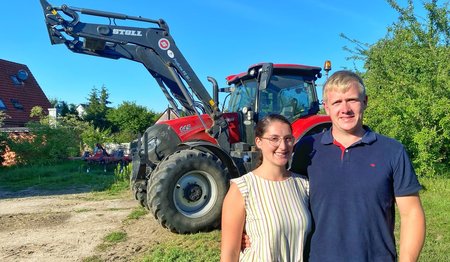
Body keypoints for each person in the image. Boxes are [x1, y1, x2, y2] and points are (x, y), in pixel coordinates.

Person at [289, 70, 426, 261]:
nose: (345, 109)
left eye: (352, 100)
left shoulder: (392, 151)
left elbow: (411, 213)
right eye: (337, 102)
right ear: (326, 108)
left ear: (365, 102)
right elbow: (284, 198)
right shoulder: (307, 149)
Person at [221, 114, 311, 261]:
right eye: (274, 139)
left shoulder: (303, 184)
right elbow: (229, 255)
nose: (283, 146)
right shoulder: (243, 188)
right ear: (259, 142)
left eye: (288, 138)